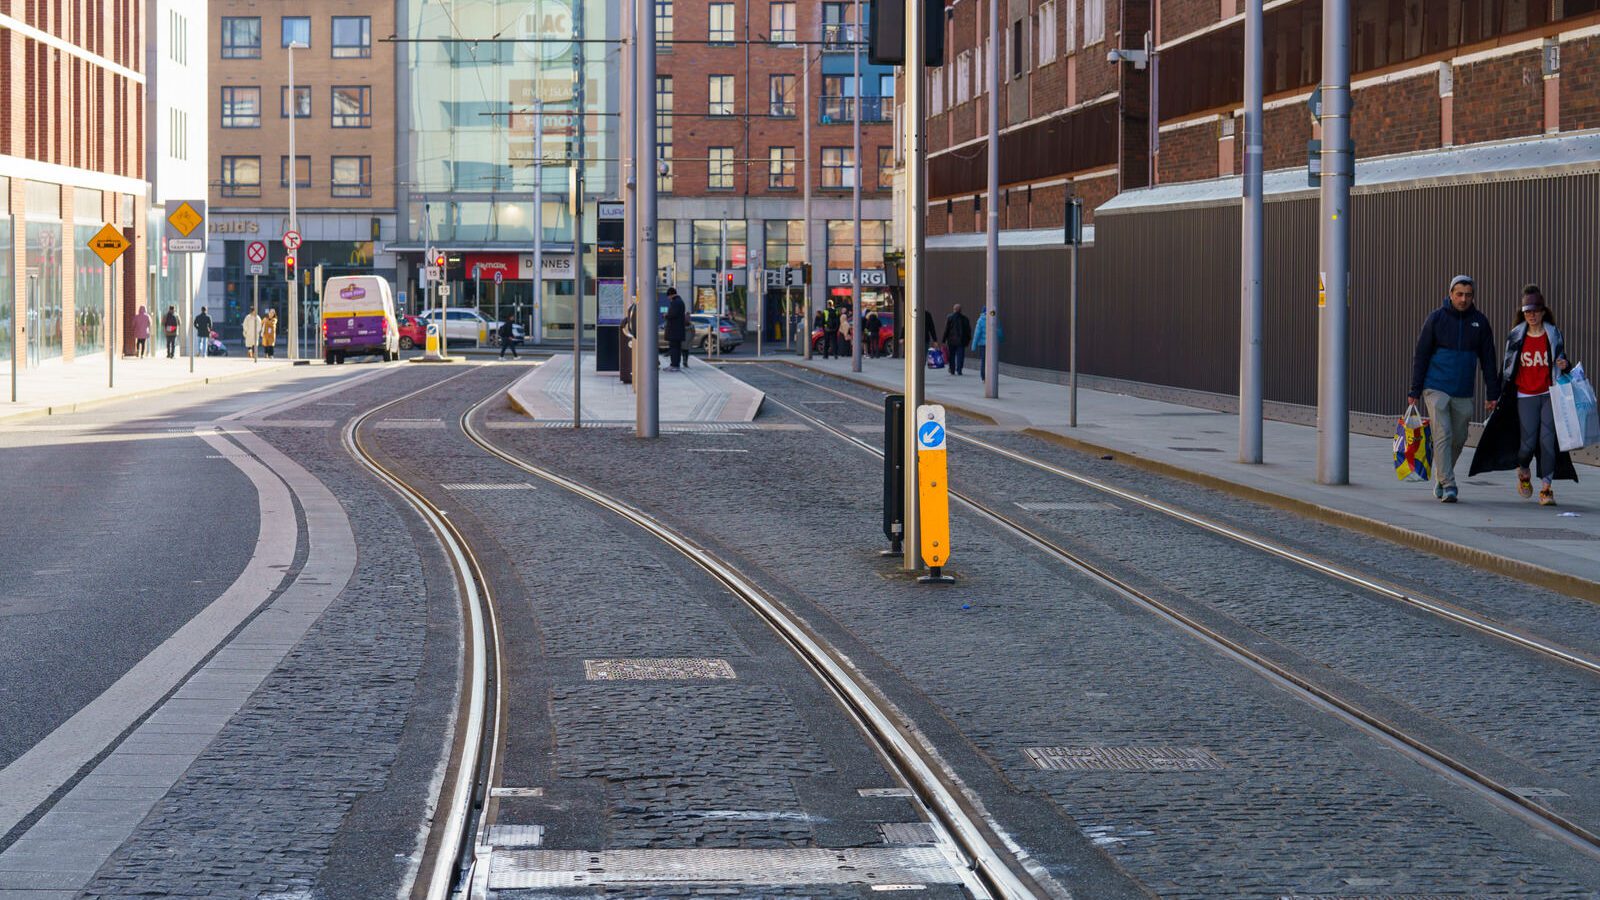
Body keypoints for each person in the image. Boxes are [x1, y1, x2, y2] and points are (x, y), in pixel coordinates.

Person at [1469, 285, 1577, 505]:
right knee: (1527, 444)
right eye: (1528, 311)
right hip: (1524, 395)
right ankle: (1524, 471)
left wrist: (1565, 364)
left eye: (1536, 310)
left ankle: (1546, 489)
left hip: (1548, 393)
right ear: (1522, 312)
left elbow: (1563, 361)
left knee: (1547, 441)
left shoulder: (1553, 334)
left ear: (1543, 311)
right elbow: (1506, 368)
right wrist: (1495, 395)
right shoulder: (1516, 336)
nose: (1532, 315)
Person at [1408, 275, 1501, 503]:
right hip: (1436, 386)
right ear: (1450, 294)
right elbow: (1421, 355)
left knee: (1459, 437)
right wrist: (1415, 390)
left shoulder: (1480, 322)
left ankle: (1441, 477)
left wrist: (1492, 394)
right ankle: (1449, 484)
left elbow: (1489, 359)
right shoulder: (1436, 319)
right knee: (1443, 433)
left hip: (1463, 390)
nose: (1463, 299)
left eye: (1468, 295)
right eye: (1459, 294)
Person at [972, 310, 1003, 381]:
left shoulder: (980, 320)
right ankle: (992, 377)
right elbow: (999, 331)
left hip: (983, 345)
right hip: (993, 344)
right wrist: (1000, 340)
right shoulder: (995, 319)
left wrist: (974, 345)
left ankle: (983, 377)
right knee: (993, 360)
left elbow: (977, 334)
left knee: (984, 360)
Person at [943, 304, 973, 376]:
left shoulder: (950, 318)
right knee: (960, 356)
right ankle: (959, 370)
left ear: (954, 309)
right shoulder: (965, 318)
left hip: (951, 340)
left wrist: (944, 340)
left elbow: (946, 329)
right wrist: (968, 339)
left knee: (952, 355)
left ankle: (952, 370)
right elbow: (968, 330)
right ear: (960, 310)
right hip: (961, 341)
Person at [664, 287, 688, 370]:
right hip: (678, 330)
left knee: (674, 348)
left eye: (668, 296)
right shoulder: (680, 301)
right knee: (677, 348)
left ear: (670, 295)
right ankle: (676, 364)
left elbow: (672, 315)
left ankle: (674, 365)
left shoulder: (675, 302)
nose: (668, 298)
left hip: (674, 330)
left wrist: (666, 315)